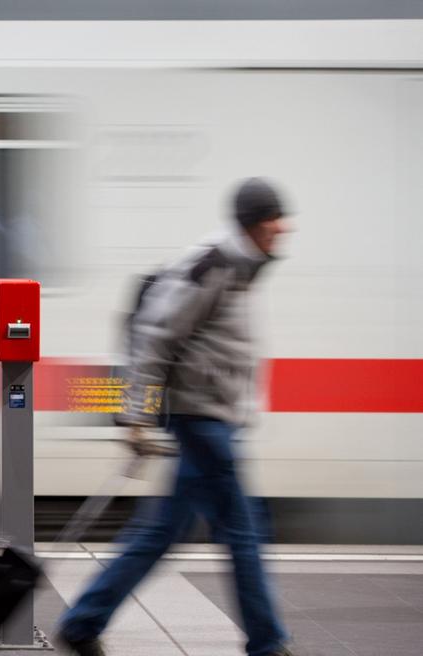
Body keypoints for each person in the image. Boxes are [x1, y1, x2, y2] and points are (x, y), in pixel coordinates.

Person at [57, 178, 293, 656]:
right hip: (201, 420)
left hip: (214, 420)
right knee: (244, 534)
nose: (283, 228)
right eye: (274, 218)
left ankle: (82, 623)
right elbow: (154, 338)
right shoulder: (213, 266)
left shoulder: (241, 267)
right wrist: (135, 417)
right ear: (254, 221)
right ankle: (267, 643)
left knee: (162, 532)